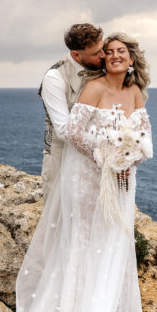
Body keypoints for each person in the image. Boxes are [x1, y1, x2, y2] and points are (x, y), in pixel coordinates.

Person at [10, 32, 152, 312]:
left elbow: (145, 140)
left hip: (121, 183)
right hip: (88, 178)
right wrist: (107, 154)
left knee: (114, 245)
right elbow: (72, 130)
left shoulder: (136, 93)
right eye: (107, 52)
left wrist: (128, 157)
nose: (112, 57)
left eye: (119, 52)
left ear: (131, 60)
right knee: (85, 244)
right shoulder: (91, 87)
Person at [38, 23, 106, 200]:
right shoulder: (54, 77)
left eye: (102, 48)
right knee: (58, 207)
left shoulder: (104, 67)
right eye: (96, 53)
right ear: (76, 55)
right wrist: (103, 152)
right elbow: (63, 130)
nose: (103, 55)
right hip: (60, 154)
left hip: (95, 156)